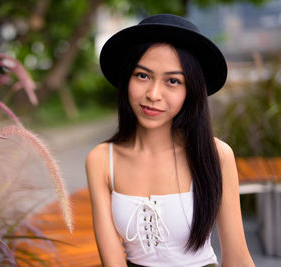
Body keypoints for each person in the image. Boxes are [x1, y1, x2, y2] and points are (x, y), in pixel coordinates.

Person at [85, 14, 255, 267]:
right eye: (142, 76)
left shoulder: (216, 155)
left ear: (191, 91)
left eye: (173, 81)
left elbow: (238, 258)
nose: (153, 94)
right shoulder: (101, 160)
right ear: (127, 79)